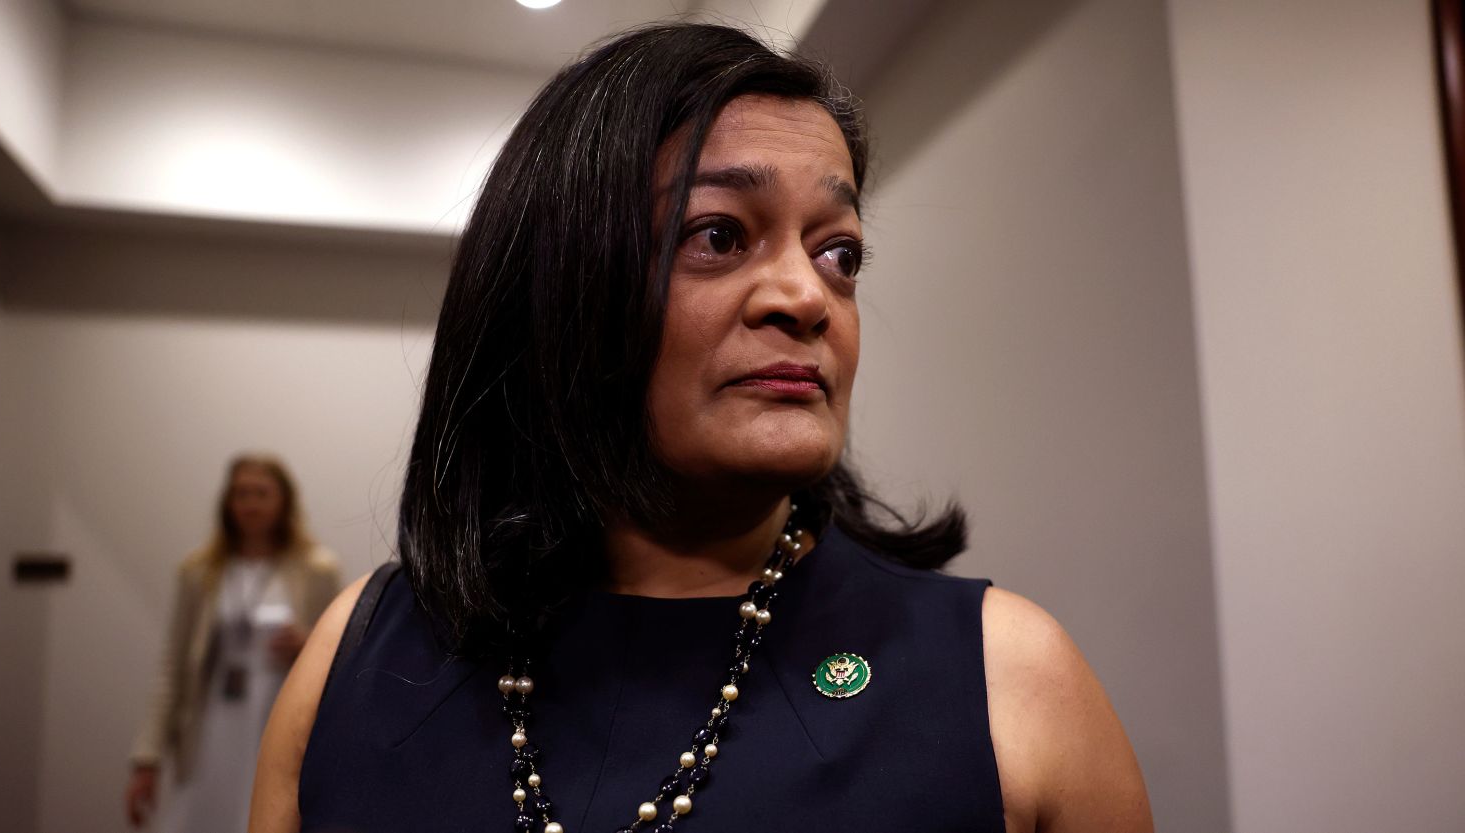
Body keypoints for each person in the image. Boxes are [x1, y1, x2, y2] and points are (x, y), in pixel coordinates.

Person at [251, 23, 1152, 833]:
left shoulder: (1009, 679)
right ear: (561, 286)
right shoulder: (357, 660)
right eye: (720, 236)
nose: (807, 296)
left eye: (838, 252)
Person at [127, 454, 342, 833]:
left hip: (279, 716)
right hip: (213, 723)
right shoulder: (200, 572)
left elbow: (342, 657)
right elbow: (173, 667)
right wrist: (148, 756)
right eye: (241, 493)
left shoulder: (316, 569)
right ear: (227, 501)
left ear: (284, 501)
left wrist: (308, 644)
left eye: (261, 493)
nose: (251, 504)